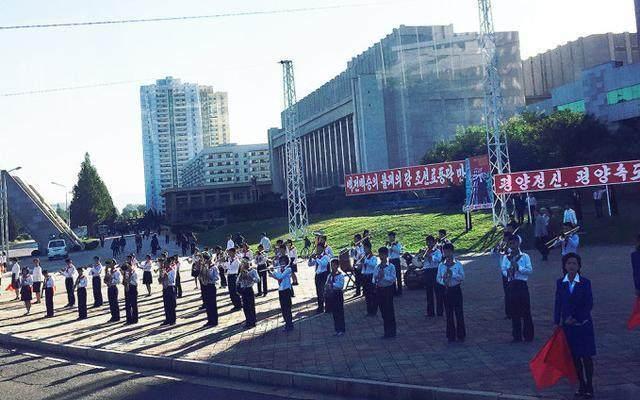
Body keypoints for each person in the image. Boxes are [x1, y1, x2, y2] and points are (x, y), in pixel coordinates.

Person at [554, 253, 595, 399]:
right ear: (565, 266)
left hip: (583, 325)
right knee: (575, 358)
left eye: (574, 263)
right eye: (569, 263)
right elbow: (558, 303)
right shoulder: (561, 283)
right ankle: (581, 384)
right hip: (568, 327)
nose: (571, 266)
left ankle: (589, 385)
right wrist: (556, 321)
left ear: (579, 266)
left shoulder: (585, 282)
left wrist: (576, 317)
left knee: (586, 357)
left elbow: (588, 303)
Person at [501, 235, 534, 342]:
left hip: (522, 284)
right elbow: (503, 271)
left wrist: (518, 267)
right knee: (514, 311)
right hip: (512, 285)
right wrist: (509, 271)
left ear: (518, 243)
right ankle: (517, 336)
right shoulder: (506, 258)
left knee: (526, 311)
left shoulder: (525, 257)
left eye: (514, 243)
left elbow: (529, 271)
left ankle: (528, 335)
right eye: (510, 243)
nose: (513, 245)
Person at [437, 243, 466, 342]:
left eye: (448, 251)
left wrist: (452, 274)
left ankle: (461, 334)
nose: (447, 254)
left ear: (452, 252)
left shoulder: (458, 264)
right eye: (445, 252)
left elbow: (462, 277)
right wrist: (443, 281)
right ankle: (450, 335)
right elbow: (438, 278)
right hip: (446, 289)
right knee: (448, 313)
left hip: (456, 289)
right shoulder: (441, 265)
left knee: (459, 312)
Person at [373, 247, 396, 338]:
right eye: (380, 254)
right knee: (383, 311)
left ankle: (392, 331)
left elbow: (393, 279)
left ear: (386, 255)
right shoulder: (377, 267)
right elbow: (373, 280)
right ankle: (386, 331)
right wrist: (377, 278)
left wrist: (384, 277)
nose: (381, 256)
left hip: (388, 289)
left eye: (383, 254)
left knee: (389, 310)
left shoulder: (391, 266)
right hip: (380, 289)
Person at [270, 255, 294, 332]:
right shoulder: (280, 269)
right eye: (280, 262)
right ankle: (287, 324)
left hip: (287, 291)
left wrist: (273, 272)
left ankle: (290, 324)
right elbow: (277, 276)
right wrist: (271, 272)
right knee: (283, 309)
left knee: (287, 308)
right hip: (281, 291)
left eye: (283, 262)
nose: (281, 263)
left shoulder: (288, 269)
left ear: (286, 262)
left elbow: (280, 277)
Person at [422, 235, 443, 317]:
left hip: (435, 271)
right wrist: (421, 257)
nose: (428, 244)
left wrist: (430, 256)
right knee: (429, 293)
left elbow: (438, 260)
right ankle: (430, 312)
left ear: (434, 242)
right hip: (427, 271)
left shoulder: (437, 251)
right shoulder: (425, 251)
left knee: (438, 292)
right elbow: (421, 262)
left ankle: (439, 311)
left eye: (430, 242)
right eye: (427, 242)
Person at [308, 243, 331, 313]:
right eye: (317, 248)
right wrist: (310, 259)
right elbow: (310, 265)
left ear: (323, 249)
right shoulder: (317, 257)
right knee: (318, 292)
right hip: (318, 275)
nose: (317, 250)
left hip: (324, 275)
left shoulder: (326, 256)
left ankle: (328, 307)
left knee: (324, 292)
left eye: (319, 248)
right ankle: (320, 307)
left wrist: (316, 258)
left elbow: (323, 264)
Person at [325, 258, 346, 336]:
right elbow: (326, 283)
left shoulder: (340, 275)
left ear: (337, 266)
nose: (332, 267)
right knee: (334, 313)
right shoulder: (330, 275)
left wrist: (331, 285)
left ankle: (342, 329)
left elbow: (340, 285)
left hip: (338, 294)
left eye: (334, 265)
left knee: (340, 312)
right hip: (332, 295)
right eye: (331, 265)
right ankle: (337, 329)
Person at [238, 259, 260, 329]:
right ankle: (248, 321)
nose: (244, 265)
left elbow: (258, 280)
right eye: (243, 264)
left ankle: (253, 321)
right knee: (245, 307)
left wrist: (250, 277)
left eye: (245, 263)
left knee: (251, 306)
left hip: (249, 289)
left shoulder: (253, 271)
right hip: (243, 290)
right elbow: (238, 281)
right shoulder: (241, 272)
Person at [202, 253, 219, 327]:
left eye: (205, 259)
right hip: (205, 286)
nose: (204, 261)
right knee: (207, 304)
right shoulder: (205, 267)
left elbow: (217, 277)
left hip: (211, 286)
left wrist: (210, 277)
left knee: (212, 304)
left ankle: (214, 320)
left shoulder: (214, 267)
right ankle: (209, 319)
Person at [361, 242, 379, 316]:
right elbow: (363, 268)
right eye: (364, 248)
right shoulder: (365, 257)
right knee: (367, 295)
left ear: (369, 248)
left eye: (365, 248)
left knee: (372, 294)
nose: (364, 250)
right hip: (365, 276)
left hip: (371, 277)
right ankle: (369, 311)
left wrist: (366, 262)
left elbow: (374, 265)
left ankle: (374, 311)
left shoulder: (373, 257)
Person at [159, 260, 177, 326]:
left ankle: (173, 320)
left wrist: (166, 275)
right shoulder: (164, 270)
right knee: (166, 305)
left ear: (169, 264)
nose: (164, 265)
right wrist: (161, 277)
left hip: (170, 287)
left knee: (171, 305)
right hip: (165, 288)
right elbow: (160, 280)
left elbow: (172, 280)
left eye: (165, 264)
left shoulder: (172, 270)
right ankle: (167, 319)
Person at [387, 231, 403, 296]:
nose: (390, 238)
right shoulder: (388, 244)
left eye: (391, 237)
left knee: (398, 276)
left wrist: (393, 246)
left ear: (394, 237)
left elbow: (399, 251)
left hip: (396, 260)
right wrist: (389, 248)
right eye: (389, 237)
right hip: (390, 260)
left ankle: (399, 291)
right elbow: (387, 253)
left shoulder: (397, 244)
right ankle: (393, 291)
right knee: (392, 276)